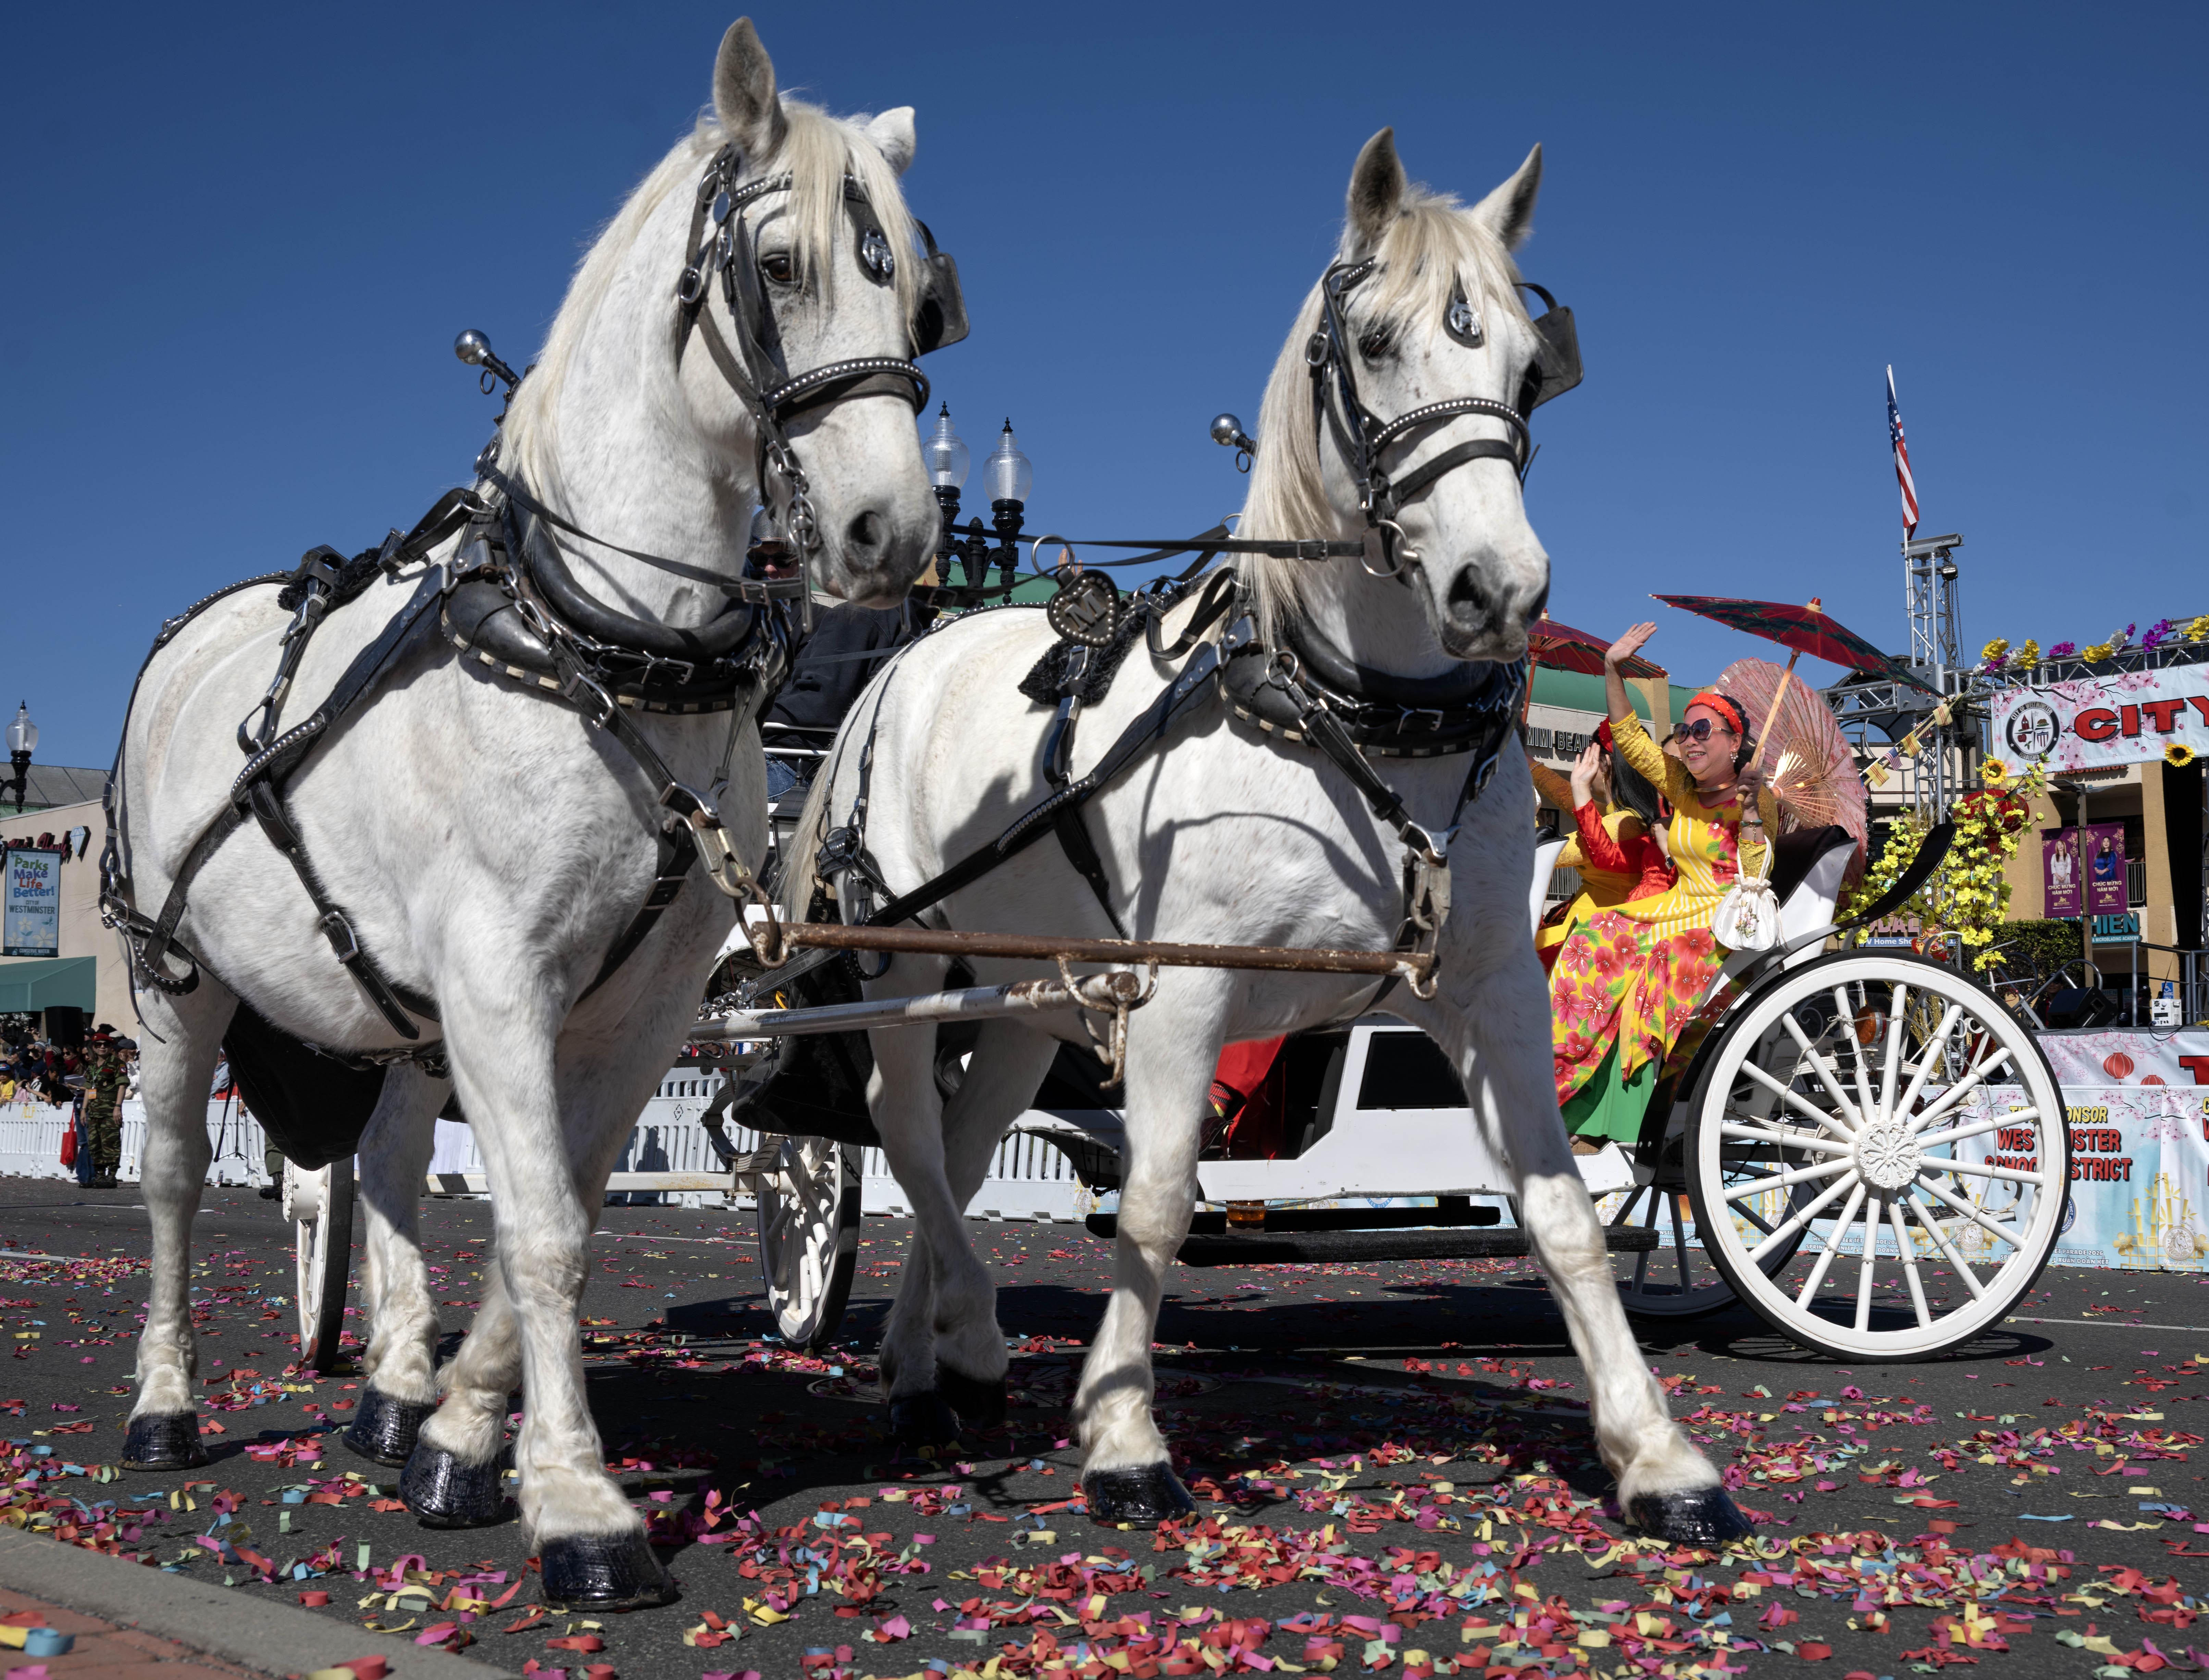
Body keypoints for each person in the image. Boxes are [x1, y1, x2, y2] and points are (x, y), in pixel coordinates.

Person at [1548, 622, 1780, 1150]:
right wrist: (1613, 667)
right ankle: (1565, 1095)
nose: (1691, 740)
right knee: (1592, 936)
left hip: (1722, 921)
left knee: (1653, 974)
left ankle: (1622, 1126)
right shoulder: (1680, 784)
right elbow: (1628, 737)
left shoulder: (1756, 797)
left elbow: (1754, 873)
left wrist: (1748, 808)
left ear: (1734, 742)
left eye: (1704, 732)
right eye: (1686, 729)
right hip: (1675, 907)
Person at [1530, 728, 1673, 970]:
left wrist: (1524, 808)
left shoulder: (1626, 823)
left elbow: (1544, 854)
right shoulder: (1625, 816)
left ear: (1605, 762)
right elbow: (1566, 797)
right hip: (1580, 923)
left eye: (1586, 756)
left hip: (1593, 934)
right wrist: (1530, 766)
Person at [82, 1031, 126, 1188]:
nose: (102, 1048)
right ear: (93, 1048)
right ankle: (100, 1176)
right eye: (98, 1045)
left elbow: (122, 1085)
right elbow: (89, 1088)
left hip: (110, 1111)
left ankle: (112, 1177)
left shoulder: (117, 1064)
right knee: (95, 1144)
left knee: (111, 1143)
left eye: (106, 1045)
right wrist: (84, 1109)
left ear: (111, 1047)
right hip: (94, 1112)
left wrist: (118, 1107)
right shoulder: (93, 1066)